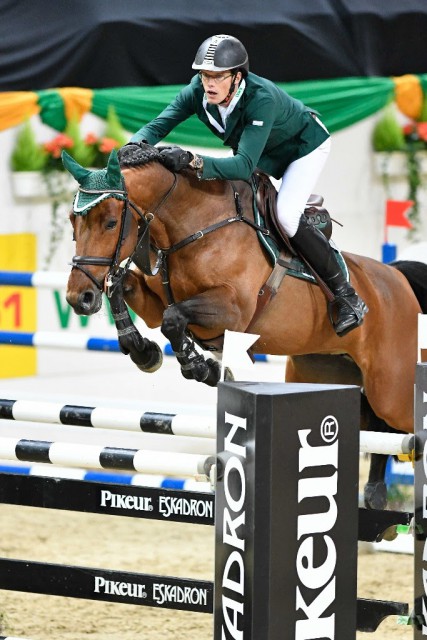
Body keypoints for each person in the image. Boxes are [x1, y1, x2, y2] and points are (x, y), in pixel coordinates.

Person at [120, 34, 368, 337]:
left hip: (302, 149)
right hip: (261, 150)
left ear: (237, 76)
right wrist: (132, 146)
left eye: (217, 77)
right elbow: (159, 124)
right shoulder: (198, 91)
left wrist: (190, 159)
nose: (208, 83)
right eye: (204, 75)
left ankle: (346, 295)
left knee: (286, 215)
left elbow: (242, 166)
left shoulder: (260, 98)